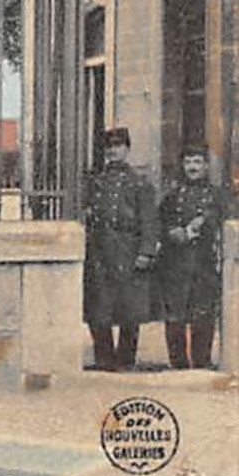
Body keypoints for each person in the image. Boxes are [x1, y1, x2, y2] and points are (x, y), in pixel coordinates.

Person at [82, 128, 158, 372]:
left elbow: (149, 220)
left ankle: (125, 359)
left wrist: (146, 251)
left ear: (127, 149)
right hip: (101, 249)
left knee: (129, 307)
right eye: (109, 147)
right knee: (99, 306)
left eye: (118, 146)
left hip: (128, 248)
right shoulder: (96, 182)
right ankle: (104, 358)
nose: (113, 151)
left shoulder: (139, 183)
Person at [156, 147, 232, 370]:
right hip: (175, 264)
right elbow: (160, 225)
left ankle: (201, 363)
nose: (192, 167)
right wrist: (174, 233)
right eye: (188, 162)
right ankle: (177, 365)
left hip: (204, 263)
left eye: (197, 162)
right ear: (182, 165)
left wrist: (204, 222)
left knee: (203, 314)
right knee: (175, 316)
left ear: (206, 166)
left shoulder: (218, 196)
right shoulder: (172, 195)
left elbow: (228, 224)